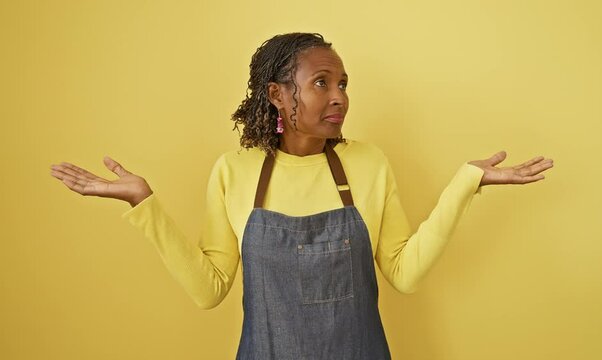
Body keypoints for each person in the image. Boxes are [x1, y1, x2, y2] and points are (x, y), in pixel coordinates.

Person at [49, 32, 554, 359]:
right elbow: (210, 290)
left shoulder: (368, 162)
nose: (339, 96)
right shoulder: (235, 171)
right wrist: (144, 204)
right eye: (321, 82)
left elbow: (405, 273)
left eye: (342, 83)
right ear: (276, 95)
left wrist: (465, 185)